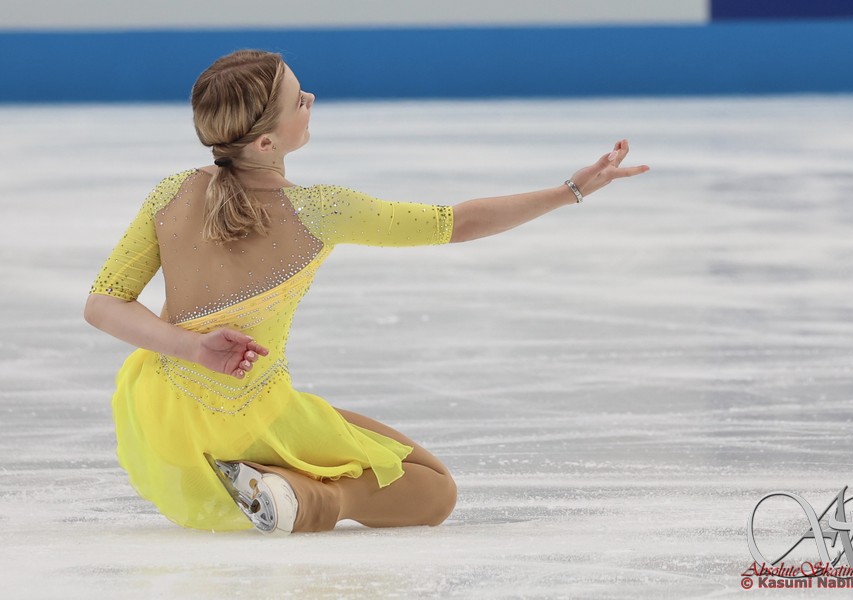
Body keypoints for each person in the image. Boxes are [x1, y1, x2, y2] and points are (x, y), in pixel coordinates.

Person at [84, 49, 649, 535]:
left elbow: (103, 303)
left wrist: (190, 346)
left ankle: (279, 486)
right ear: (265, 141)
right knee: (433, 488)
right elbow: (456, 222)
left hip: (163, 417)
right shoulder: (320, 210)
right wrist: (570, 190)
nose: (310, 99)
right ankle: (306, 499)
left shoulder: (172, 193)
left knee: (364, 449)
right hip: (247, 410)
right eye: (298, 100)